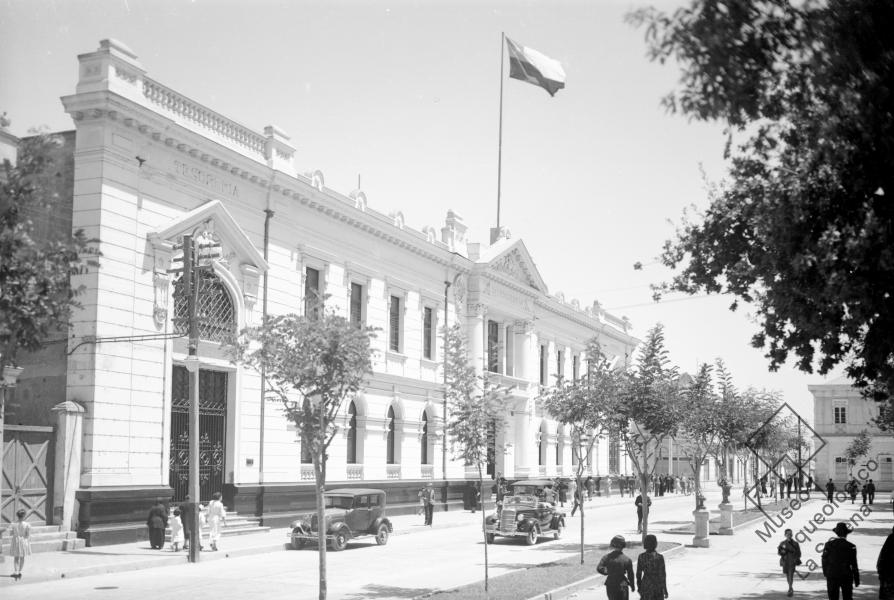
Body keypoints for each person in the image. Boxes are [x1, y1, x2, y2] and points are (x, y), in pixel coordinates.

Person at [822, 522, 860, 600]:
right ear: (846, 534)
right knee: (847, 597)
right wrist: (856, 579)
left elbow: (824, 560)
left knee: (833, 598)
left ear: (836, 533)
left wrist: (826, 573)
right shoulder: (851, 546)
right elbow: (854, 564)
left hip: (832, 575)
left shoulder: (828, 544)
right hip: (846, 575)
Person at [597, 535, 635, 600]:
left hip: (611, 584)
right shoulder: (627, 559)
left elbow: (599, 568)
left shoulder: (606, 557)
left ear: (612, 545)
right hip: (623, 584)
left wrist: (607, 571)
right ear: (623, 545)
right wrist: (632, 585)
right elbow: (630, 574)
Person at [636, 534, 668, 600]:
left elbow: (638, 574)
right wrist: (665, 589)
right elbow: (662, 575)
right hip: (657, 586)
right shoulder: (659, 557)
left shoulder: (641, 556)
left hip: (646, 585)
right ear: (655, 544)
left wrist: (639, 587)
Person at [778, 528, 802, 597]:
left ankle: (790, 588)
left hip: (792, 562)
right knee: (787, 575)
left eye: (790, 534)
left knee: (791, 575)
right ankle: (790, 587)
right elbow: (779, 552)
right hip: (785, 561)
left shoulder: (795, 544)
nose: (789, 535)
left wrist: (796, 559)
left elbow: (799, 553)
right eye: (788, 534)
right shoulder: (782, 543)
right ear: (785, 535)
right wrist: (782, 552)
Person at [8, 509, 31, 580]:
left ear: (17, 516)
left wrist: (16, 533)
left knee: (16, 557)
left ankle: (16, 572)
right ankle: (20, 571)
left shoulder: (13, 524)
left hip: (16, 541)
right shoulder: (27, 525)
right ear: (24, 516)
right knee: (22, 557)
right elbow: (28, 535)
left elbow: (11, 533)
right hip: (23, 541)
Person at [878, 526, 894, 599]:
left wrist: (881, 572)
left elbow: (882, 557)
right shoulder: (891, 538)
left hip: (888, 576)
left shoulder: (890, 538)